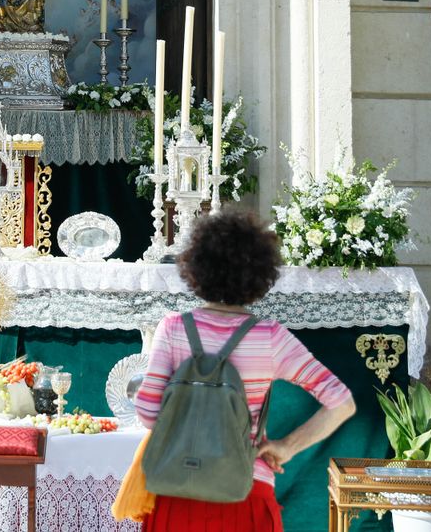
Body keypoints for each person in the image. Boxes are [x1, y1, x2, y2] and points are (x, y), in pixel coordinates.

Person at [133, 211, 356, 531]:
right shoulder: (270, 337)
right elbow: (342, 402)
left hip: (177, 486)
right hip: (245, 489)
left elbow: (147, 412)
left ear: (197, 267)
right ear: (260, 273)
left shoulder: (173, 329)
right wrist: (287, 446)